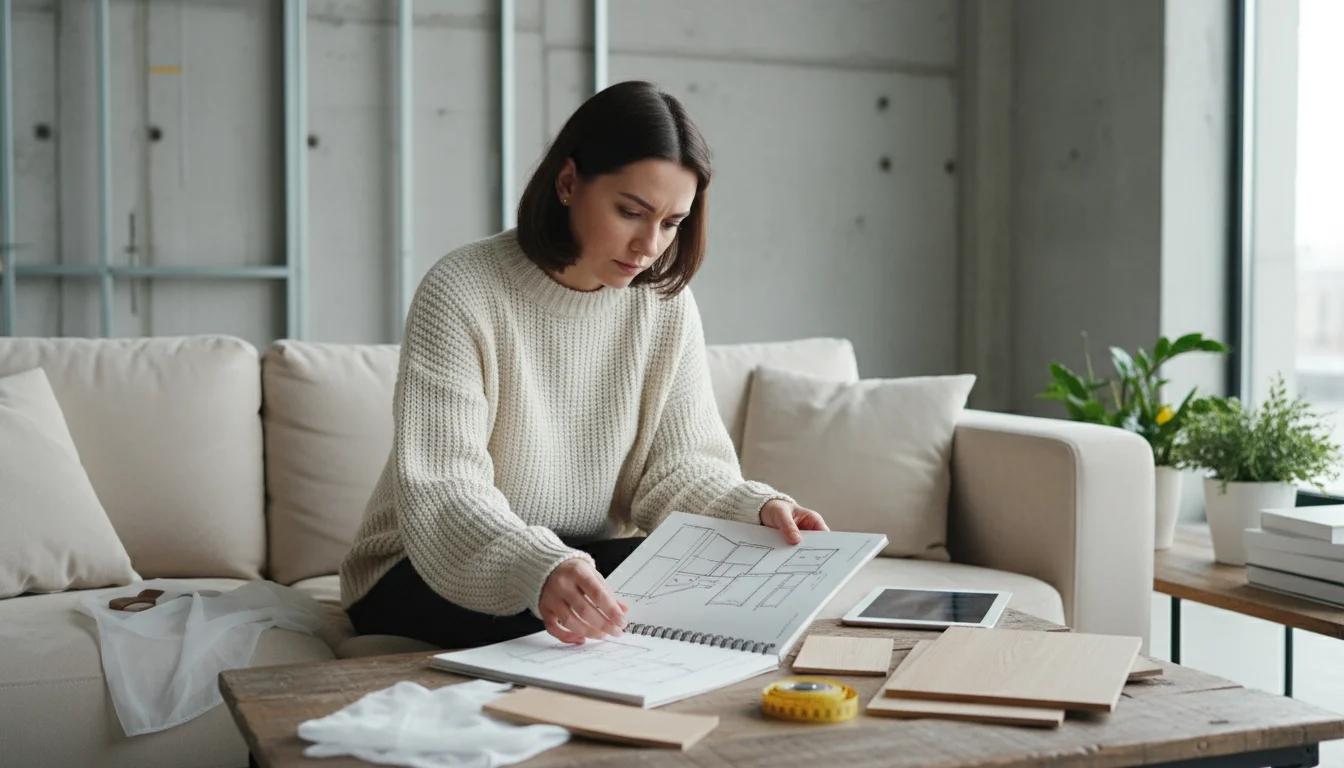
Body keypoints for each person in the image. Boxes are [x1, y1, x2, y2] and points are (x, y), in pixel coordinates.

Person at [339, 80, 828, 650]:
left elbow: (678, 468)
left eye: (672, 223)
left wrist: (756, 509)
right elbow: (445, 490)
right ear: (568, 183)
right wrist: (538, 566)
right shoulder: (461, 289)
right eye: (631, 212)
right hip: (423, 566)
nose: (650, 245)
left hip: (578, 561)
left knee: (725, 577)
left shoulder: (663, 306)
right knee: (634, 619)